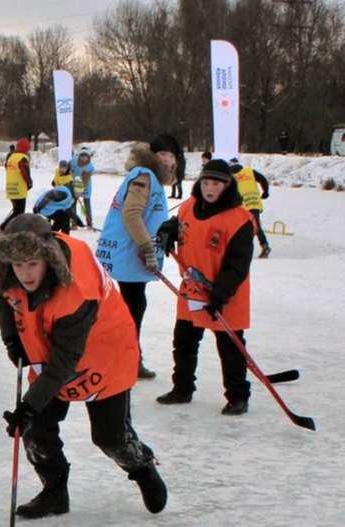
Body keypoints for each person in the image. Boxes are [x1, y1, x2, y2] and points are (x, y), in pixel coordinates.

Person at [0, 214, 167, 517]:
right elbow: (5, 300)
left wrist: (28, 407)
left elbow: (64, 362)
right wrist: (12, 341)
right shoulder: (11, 272)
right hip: (50, 346)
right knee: (37, 432)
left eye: (32, 264)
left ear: (47, 256)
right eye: (18, 266)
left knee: (110, 437)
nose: (25, 274)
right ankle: (54, 491)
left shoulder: (76, 294)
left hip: (104, 352)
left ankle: (141, 466)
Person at [154, 159, 255, 415]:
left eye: (217, 184)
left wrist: (219, 295)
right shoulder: (189, 207)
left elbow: (237, 266)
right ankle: (182, 388)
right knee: (184, 342)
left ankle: (238, 396)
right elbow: (179, 225)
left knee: (230, 347)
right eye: (206, 182)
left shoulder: (239, 220)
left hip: (226, 294)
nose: (210, 188)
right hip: (192, 290)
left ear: (227, 186)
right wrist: (167, 230)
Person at [95, 133, 176, 380]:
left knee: (132, 305)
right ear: (151, 156)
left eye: (171, 156)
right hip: (129, 253)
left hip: (128, 253)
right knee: (133, 307)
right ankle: (127, 359)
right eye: (161, 154)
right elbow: (131, 214)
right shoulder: (144, 176)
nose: (166, 160)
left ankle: (128, 357)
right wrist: (146, 247)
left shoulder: (148, 177)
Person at [228, 159, 271, 258]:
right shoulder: (249, 171)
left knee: (240, 227)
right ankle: (263, 246)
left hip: (241, 205)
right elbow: (263, 179)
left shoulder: (231, 176)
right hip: (254, 202)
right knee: (255, 226)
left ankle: (242, 249)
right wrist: (266, 192)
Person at [4, 137, 33, 224]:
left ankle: (9, 228)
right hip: (19, 188)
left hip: (10, 187)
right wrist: (29, 183)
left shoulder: (12, 157)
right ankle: (5, 227)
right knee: (19, 212)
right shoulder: (22, 158)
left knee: (16, 211)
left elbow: (6, 167)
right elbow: (24, 172)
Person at [72, 148, 95, 229]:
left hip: (86, 187)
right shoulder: (74, 162)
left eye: (86, 157)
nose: (84, 158)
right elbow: (69, 169)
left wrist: (79, 192)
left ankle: (89, 223)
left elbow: (85, 180)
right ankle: (74, 224)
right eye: (82, 156)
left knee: (87, 205)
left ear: (88, 157)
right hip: (75, 184)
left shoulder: (89, 167)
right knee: (73, 204)